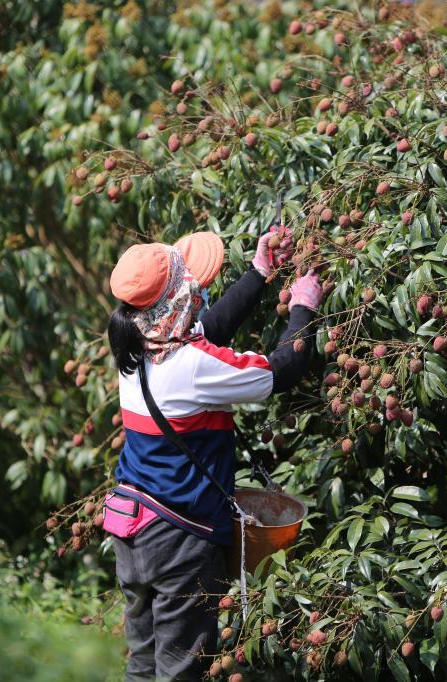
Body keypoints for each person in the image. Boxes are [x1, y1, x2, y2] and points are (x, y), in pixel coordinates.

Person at [103, 225, 323, 681]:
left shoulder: (136, 346)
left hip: (130, 527)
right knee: (182, 670)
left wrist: (259, 273)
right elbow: (282, 370)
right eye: (191, 285)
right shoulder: (196, 366)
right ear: (179, 297)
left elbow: (210, 326)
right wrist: (303, 307)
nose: (198, 290)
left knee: (143, 666)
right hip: (178, 539)